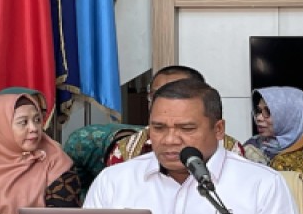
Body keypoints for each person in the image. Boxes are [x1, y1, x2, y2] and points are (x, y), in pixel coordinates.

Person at [85, 78, 303, 214]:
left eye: (186, 128)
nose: (169, 140)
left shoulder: (262, 182)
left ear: (218, 129)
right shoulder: (114, 179)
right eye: (158, 128)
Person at [106, 65, 263, 165]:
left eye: (187, 128)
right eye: (156, 94)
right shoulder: (125, 150)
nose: (170, 139)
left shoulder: (231, 150)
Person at [245, 86, 303, 163]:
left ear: (292, 117)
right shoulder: (252, 145)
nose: (258, 118)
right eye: (259, 110)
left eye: (268, 111)